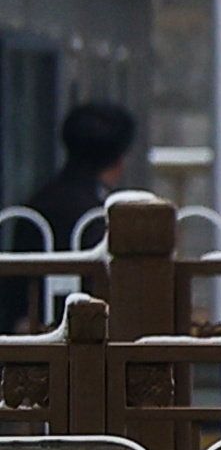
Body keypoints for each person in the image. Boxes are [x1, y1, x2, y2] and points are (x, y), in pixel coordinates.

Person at [1, 100, 135, 333]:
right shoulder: (100, 215)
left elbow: (14, 294)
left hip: (31, 337)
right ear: (119, 160)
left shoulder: (38, 204)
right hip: (91, 337)